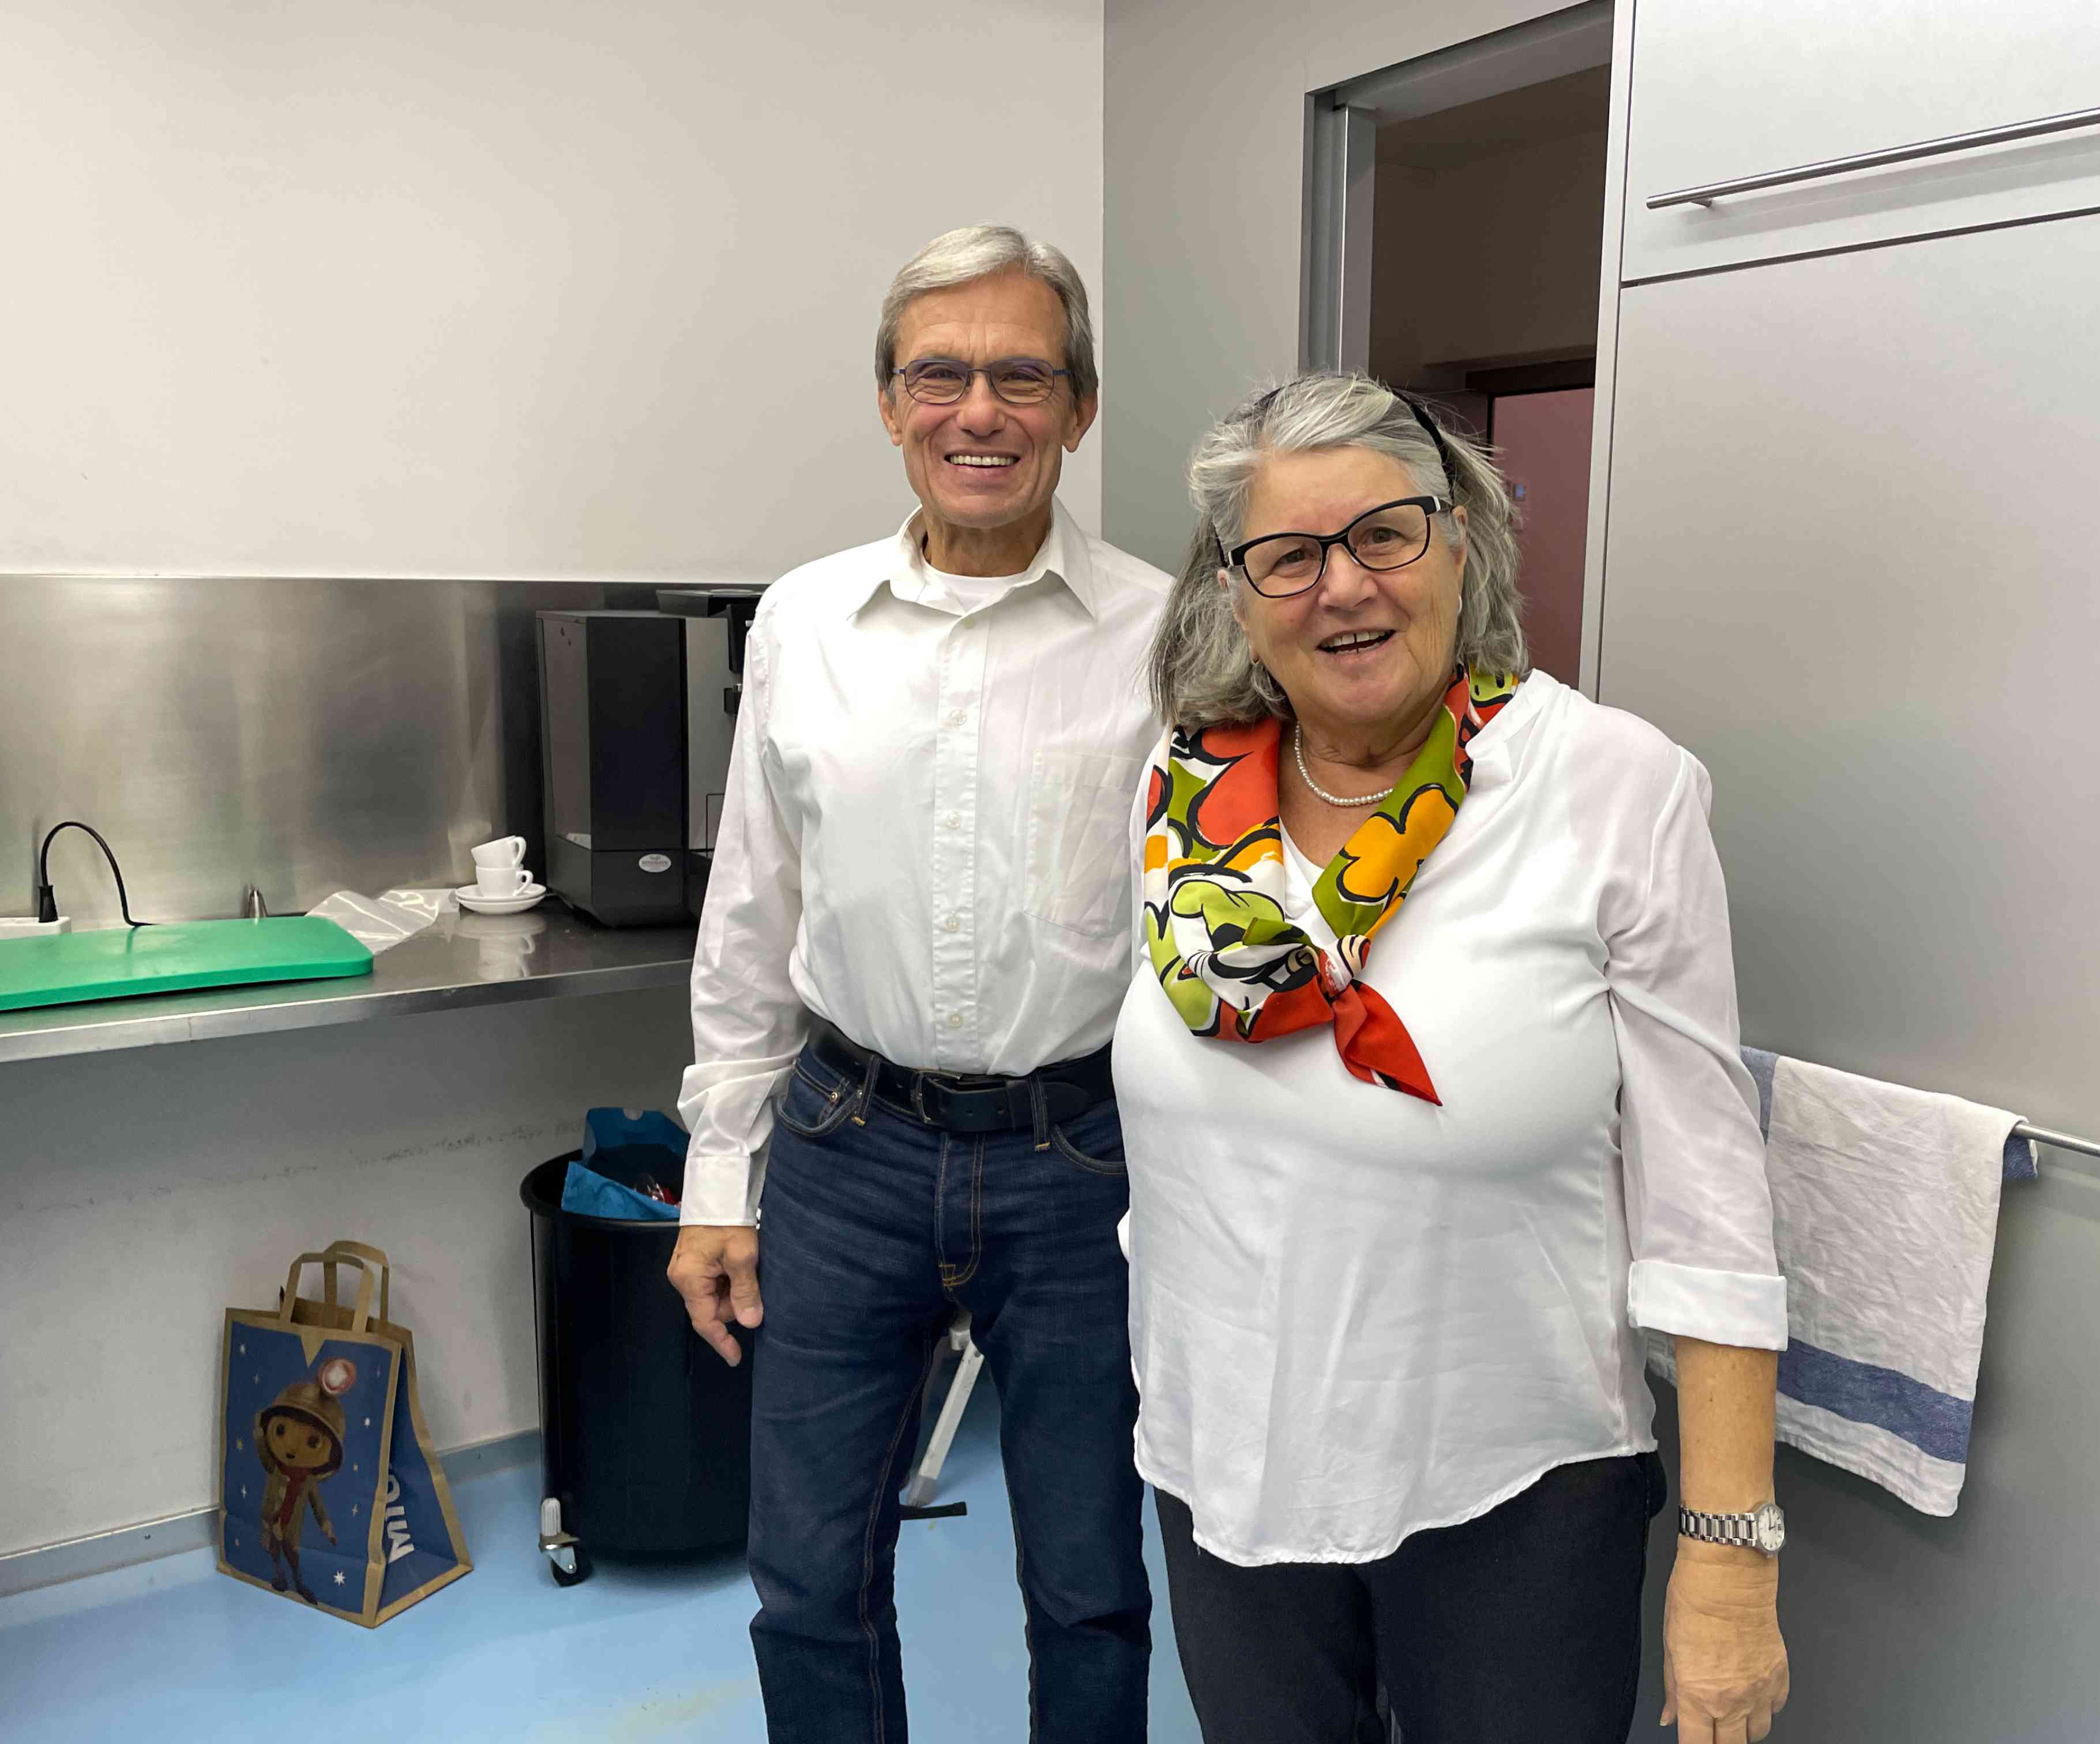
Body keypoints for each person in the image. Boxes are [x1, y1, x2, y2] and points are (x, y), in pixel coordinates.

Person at [1118, 371, 1793, 1744]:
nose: (1342, 588)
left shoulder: (1613, 784)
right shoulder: (1182, 795)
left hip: (1512, 1487)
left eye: (1385, 533)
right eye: (1287, 555)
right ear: (1236, 595)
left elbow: (1710, 1199)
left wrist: (1730, 1554)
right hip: (1222, 1467)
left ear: (1461, 542)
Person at [668, 224, 1169, 1743]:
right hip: (847, 1147)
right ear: (889, 403)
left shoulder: (1166, 635)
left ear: (1081, 406)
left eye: (1024, 375)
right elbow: (753, 908)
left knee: (1089, 1583)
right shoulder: (806, 620)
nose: (980, 411)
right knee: (807, 1580)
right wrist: (717, 1179)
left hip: (1084, 1161)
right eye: (939, 375)